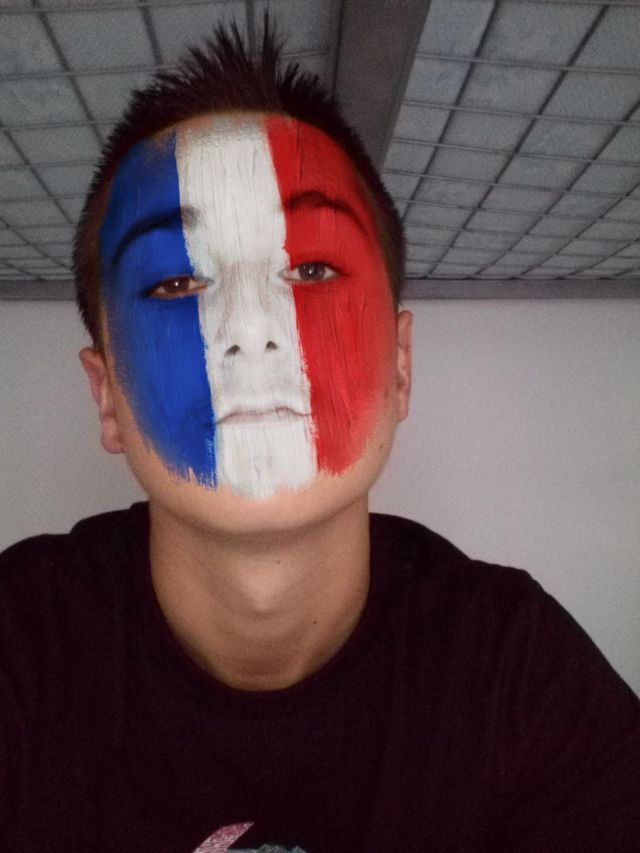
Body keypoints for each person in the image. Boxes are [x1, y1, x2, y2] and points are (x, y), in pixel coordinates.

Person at [1, 21, 639, 853]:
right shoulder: (18, 647)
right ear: (106, 396)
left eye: (311, 269)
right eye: (177, 280)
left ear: (400, 367)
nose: (250, 328)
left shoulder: (520, 673)